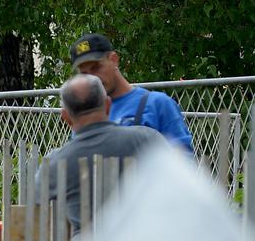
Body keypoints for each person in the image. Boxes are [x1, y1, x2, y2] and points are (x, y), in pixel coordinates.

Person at [42, 74, 165, 231]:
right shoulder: (148, 139)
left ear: (65, 117)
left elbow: (33, 213)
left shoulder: (55, 162)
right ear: (108, 105)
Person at [70, 33, 194, 152]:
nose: (92, 78)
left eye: (96, 67)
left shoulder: (157, 104)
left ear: (114, 59)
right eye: (84, 73)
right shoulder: (86, 115)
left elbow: (183, 161)